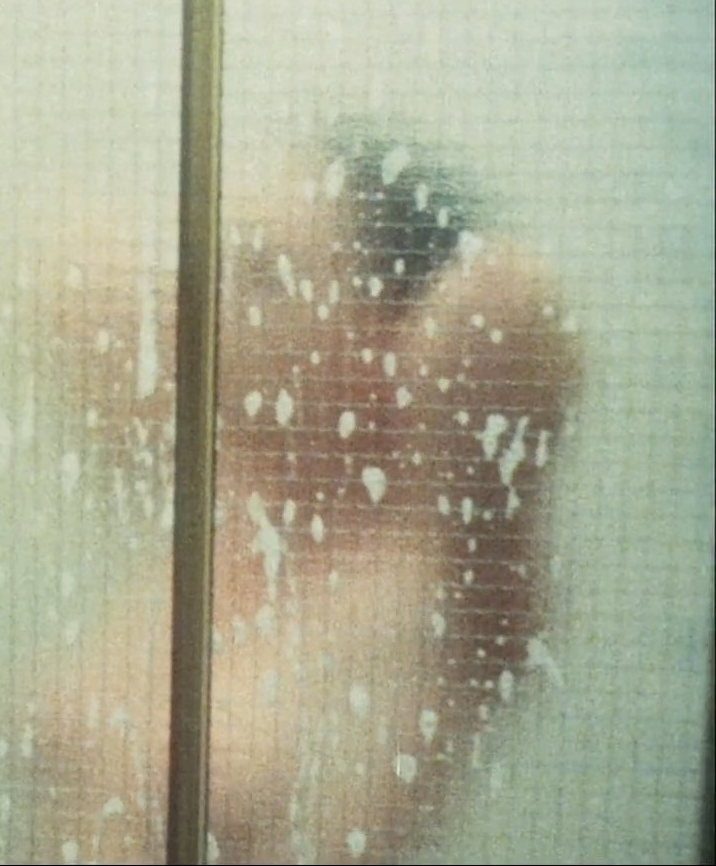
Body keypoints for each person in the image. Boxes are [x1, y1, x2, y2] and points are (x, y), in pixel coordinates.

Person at [30, 123, 583, 863]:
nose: (208, 302)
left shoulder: (443, 581)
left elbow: (511, 299)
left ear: (388, 341)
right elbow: (71, 261)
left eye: (262, 277)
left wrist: (418, 370)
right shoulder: (222, 500)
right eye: (222, 265)